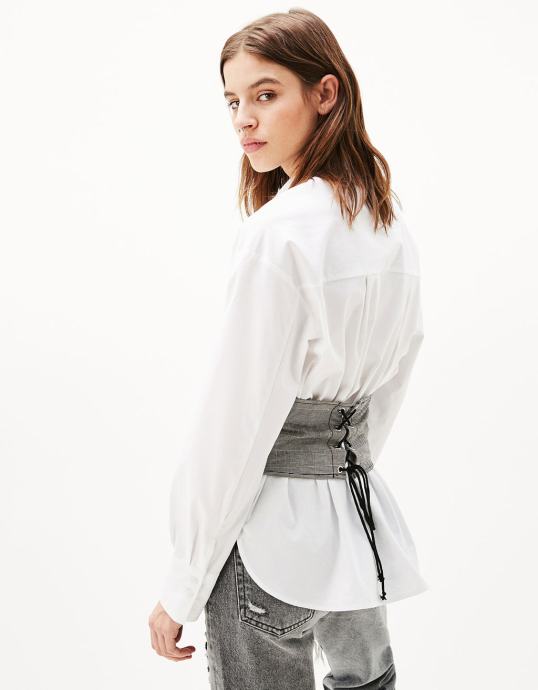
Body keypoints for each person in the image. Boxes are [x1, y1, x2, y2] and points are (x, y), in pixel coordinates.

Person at [148, 8, 428, 689]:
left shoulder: (280, 234)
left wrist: (183, 583)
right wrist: (342, 472)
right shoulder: (388, 225)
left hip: (267, 546)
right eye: (232, 101)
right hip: (356, 534)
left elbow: (235, 424)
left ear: (325, 93)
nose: (244, 119)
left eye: (266, 94)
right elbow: (390, 388)